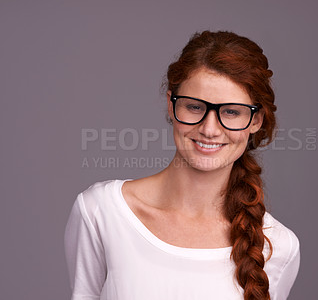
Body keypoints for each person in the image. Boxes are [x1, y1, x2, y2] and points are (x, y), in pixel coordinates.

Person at [64, 30, 300, 300]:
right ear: (170, 105)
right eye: (194, 107)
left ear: (256, 121)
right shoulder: (101, 211)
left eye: (231, 112)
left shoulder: (278, 246)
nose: (210, 129)